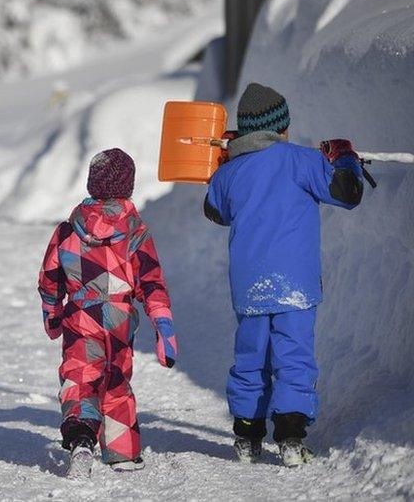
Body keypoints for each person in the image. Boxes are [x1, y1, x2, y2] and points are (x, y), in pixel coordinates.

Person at [204, 82, 364, 467]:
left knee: (250, 358)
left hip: (250, 286)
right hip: (295, 284)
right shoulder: (301, 160)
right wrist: (344, 158)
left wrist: (224, 169)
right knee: (293, 357)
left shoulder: (229, 173)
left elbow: (214, 211)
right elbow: (348, 193)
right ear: (281, 128)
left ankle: (246, 436)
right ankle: (291, 438)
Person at [37, 148, 177, 478]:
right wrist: (163, 325)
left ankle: (82, 438)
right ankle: (122, 453)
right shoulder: (135, 233)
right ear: (127, 188)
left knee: (81, 378)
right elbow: (151, 280)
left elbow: (50, 277)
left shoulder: (68, 231)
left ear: (91, 184)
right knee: (115, 380)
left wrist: (52, 313)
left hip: (81, 316)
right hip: (120, 318)